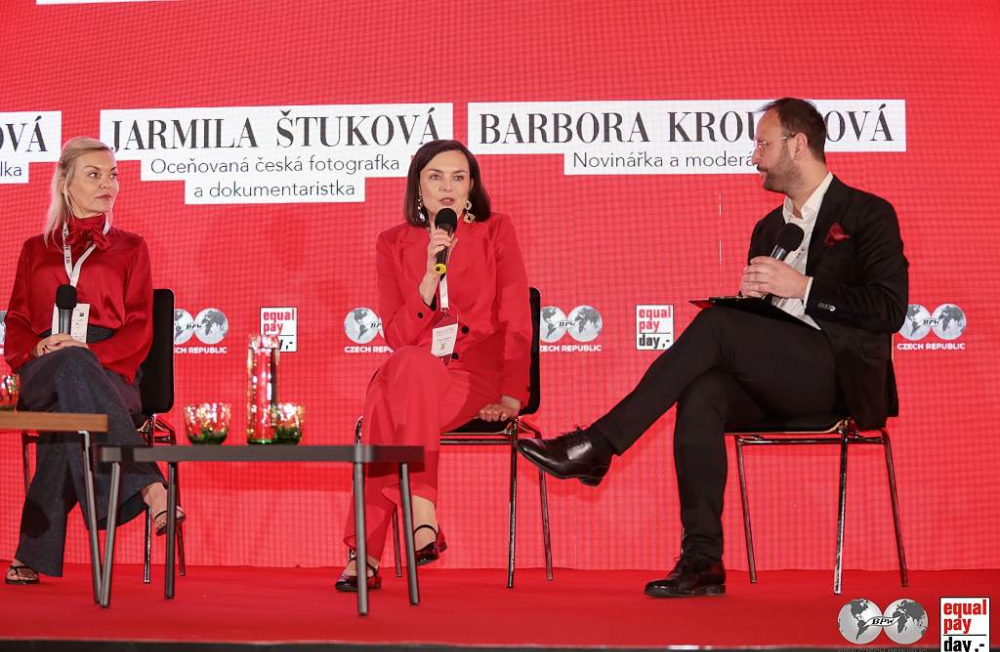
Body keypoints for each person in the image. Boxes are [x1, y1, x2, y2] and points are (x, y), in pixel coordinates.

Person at [517, 98, 908, 598]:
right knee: (702, 391)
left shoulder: (868, 214)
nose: (755, 156)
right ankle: (703, 558)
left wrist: (804, 287)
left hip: (839, 377)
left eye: (763, 144)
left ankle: (599, 443)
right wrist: (754, 304)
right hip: (780, 377)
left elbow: (889, 309)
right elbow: (767, 323)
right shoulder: (769, 229)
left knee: (717, 326)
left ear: (798, 145)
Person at [337, 139, 532, 592]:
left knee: (385, 408)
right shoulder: (392, 243)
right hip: (413, 373)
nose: (448, 187)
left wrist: (511, 396)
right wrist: (429, 276)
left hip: (472, 379)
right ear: (418, 187)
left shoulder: (496, 231)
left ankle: (365, 553)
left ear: (471, 186)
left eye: (458, 177)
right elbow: (397, 336)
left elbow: (517, 318)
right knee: (409, 363)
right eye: (436, 177)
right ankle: (422, 514)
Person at [3, 137, 182, 585]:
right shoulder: (35, 248)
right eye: (94, 174)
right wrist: (37, 349)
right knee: (68, 368)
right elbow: (18, 319)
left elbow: (140, 326)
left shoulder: (132, 247)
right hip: (45, 365)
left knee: (72, 407)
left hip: (110, 367)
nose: (108, 184)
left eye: (112, 175)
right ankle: (150, 486)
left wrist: (90, 354)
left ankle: (30, 552)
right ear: (66, 183)